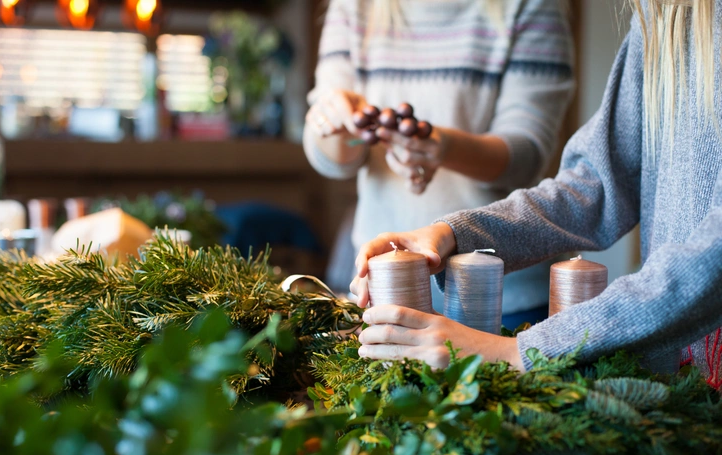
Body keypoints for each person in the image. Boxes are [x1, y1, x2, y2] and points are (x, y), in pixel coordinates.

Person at [350, 0, 722, 390]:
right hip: (675, 388)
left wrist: (519, 352)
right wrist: (455, 234)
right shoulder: (662, 14)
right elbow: (596, 186)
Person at [303, 0, 575, 325]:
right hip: (384, 289)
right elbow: (337, 161)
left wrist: (442, 148)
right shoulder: (354, 7)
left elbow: (527, 155)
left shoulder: (529, 6)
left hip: (504, 296)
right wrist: (340, 123)